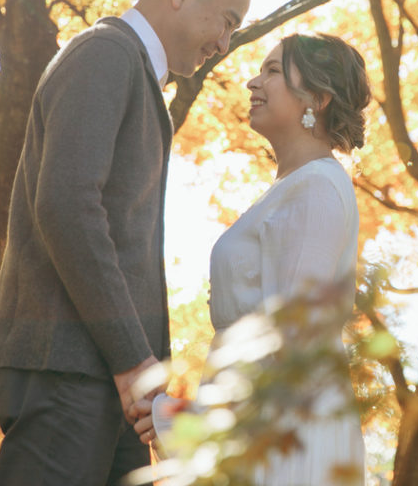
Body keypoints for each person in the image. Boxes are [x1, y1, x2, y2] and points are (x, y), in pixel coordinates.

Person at [0, 0, 257, 486]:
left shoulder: (130, 70)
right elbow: (66, 206)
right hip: (68, 367)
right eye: (226, 20)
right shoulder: (105, 54)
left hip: (103, 379)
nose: (225, 43)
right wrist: (136, 361)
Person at [134, 32, 371, 486]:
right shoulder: (290, 189)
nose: (251, 81)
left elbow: (291, 350)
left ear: (317, 98)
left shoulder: (316, 188)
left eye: (273, 71)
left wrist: (179, 423)